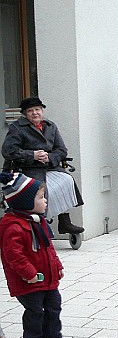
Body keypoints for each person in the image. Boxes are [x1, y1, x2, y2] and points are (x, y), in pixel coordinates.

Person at [0, 171, 71, 338]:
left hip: (47, 277)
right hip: (28, 281)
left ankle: (53, 336)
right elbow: (13, 256)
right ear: (25, 202)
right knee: (35, 310)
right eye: (41, 198)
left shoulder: (38, 222)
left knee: (54, 304)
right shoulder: (13, 226)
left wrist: (57, 266)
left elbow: (49, 249)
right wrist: (29, 273)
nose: (45, 201)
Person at [2, 97, 84, 235]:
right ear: (25, 114)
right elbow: (8, 151)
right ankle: (41, 222)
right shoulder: (16, 128)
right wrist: (32, 155)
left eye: (37, 109)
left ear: (42, 111)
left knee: (66, 180)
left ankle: (64, 222)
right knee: (41, 188)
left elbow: (62, 150)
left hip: (49, 166)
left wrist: (49, 157)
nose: (35, 113)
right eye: (30, 111)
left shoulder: (51, 126)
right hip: (27, 168)